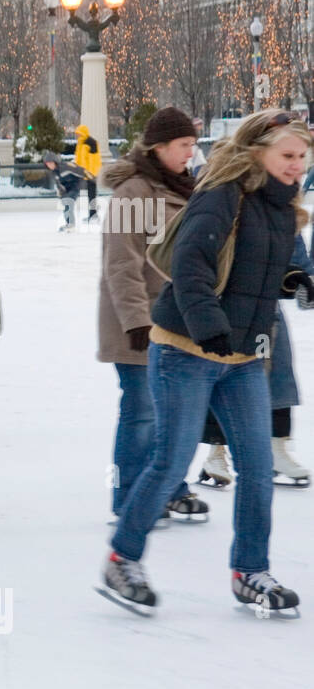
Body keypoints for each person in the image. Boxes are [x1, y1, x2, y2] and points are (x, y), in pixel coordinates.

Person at [99, 109, 313, 617]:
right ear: (257, 151)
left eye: (303, 158)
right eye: (288, 156)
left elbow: (289, 259)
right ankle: (121, 557)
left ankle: (249, 571)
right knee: (170, 460)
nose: (297, 166)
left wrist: (300, 279)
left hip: (242, 356)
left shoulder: (283, 206)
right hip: (184, 349)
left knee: (258, 469)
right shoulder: (219, 196)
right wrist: (205, 323)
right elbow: (189, 263)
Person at [98, 106, 210, 528]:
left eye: (192, 145)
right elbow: (120, 263)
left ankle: (169, 488)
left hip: (177, 321)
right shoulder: (135, 192)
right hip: (139, 322)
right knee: (142, 411)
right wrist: (135, 321)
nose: (190, 153)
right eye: (184, 146)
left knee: (175, 412)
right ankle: (128, 497)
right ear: (160, 147)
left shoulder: (185, 187)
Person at [197, 235, 314, 490]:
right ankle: (216, 453)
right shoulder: (229, 200)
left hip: (264, 307)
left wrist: (303, 279)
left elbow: (294, 252)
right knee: (229, 374)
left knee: (278, 369)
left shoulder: (281, 206)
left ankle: (277, 446)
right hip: (227, 305)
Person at [41, 151, 86, 232]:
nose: (49, 165)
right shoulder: (54, 172)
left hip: (75, 188)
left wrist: (87, 178)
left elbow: (80, 171)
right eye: (47, 164)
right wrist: (61, 193)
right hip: (66, 190)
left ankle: (71, 225)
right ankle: (69, 224)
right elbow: (58, 183)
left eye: (51, 163)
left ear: (55, 162)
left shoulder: (65, 167)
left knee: (69, 203)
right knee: (66, 206)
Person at [74, 124, 101, 222]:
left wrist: (90, 173)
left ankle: (93, 214)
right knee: (86, 193)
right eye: (76, 134)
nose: (77, 136)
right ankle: (92, 214)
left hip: (90, 173)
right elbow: (79, 159)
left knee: (92, 194)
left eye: (78, 134)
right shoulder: (80, 143)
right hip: (83, 172)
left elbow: (93, 160)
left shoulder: (91, 142)